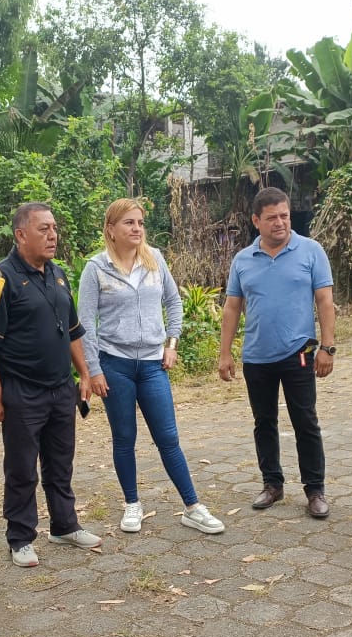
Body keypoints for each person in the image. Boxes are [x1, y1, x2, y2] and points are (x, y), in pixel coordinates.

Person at [78, 199, 225, 535]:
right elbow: (85, 323)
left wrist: (172, 344)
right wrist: (94, 370)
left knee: (168, 437)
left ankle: (193, 507)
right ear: (111, 229)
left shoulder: (154, 259)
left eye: (140, 223)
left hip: (152, 365)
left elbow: (173, 301)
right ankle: (132, 504)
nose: (137, 228)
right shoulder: (96, 269)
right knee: (124, 438)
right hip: (115, 365)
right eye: (129, 222)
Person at [0, 202, 103, 568]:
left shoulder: (57, 274)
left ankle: (65, 525)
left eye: (54, 228)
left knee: (61, 462)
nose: (52, 235)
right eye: (43, 229)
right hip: (22, 391)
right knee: (22, 469)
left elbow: (72, 330)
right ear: (20, 234)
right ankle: (20, 537)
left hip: (61, 389)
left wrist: (84, 373)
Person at [218, 187, 337, 519]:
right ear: (256, 221)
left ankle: (315, 490)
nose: (280, 222)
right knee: (264, 422)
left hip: (301, 350)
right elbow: (232, 308)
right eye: (272, 218)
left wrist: (327, 347)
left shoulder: (311, 251)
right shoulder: (243, 260)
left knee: (305, 421)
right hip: (256, 355)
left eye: (284, 215)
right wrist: (225, 353)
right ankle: (272, 484)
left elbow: (325, 301)